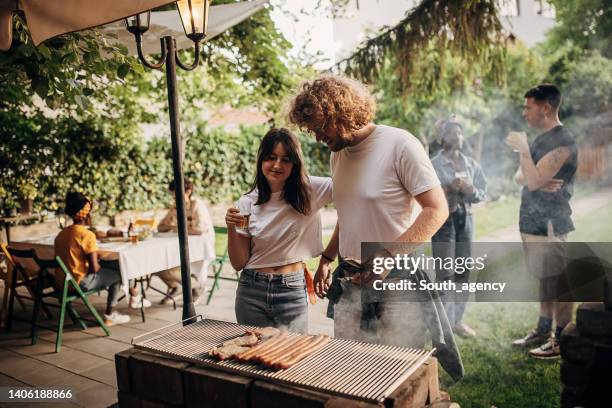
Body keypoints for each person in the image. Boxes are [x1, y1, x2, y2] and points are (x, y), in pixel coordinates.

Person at [288, 75, 451, 347]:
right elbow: (349, 213)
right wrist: (327, 259)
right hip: (351, 278)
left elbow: (436, 209)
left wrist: (388, 255)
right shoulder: (337, 154)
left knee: (398, 369)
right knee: (351, 366)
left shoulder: (400, 144)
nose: (317, 137)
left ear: (340, 113)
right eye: (311, 130)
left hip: (399, 281)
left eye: (320, 127)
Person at [225, 128, 332, 333]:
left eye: (285, 159)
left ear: (295, 162)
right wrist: (231, 228)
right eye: (271, 158)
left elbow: (353, 193)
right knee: (251, 356)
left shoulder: (312, 190)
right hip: (251, 291)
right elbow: (239, 263)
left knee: (292, 358)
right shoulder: (247, 202)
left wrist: (328, 258)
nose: (277, 165)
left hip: (291, 291)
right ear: (261, 160)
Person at [506, 84, 578, 359]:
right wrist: (533, 174)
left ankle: (561, 341)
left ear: (545, 108)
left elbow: (532, 180)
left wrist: (526, 156)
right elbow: (521, 177)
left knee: (559, 282)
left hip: (551, 221)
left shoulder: (563, 141)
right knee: (544, 281)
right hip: (531, 221)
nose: (524, 113)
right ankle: (542, 329)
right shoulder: (541, 140)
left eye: (529, 107)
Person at [431, 116, 487, 338]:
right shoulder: (433, 165)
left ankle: (457, 321)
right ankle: (443, 324)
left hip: (466, 222)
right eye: (453, 132)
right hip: (444, 224)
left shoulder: (470, 164)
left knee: (463, 272)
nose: (458, 136)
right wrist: (447, 189)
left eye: (460, 132)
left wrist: (471, 190)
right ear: (442, 137)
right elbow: (426, 196)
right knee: (445, 273)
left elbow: (481, 193)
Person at [54, 192, 143, 326]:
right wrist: (100, 262)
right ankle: (110, 314)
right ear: (86, 215)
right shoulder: (86, 234)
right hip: (80, 283)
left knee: (114, 267)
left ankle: (133, 295)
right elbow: (94, 268)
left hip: (62, 283)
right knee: (120, 272)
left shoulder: (61, 234)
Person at [156, 179, 215, 305]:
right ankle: (176, 286)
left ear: (188, 191)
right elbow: (160, 227)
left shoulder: (197, 205)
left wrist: (179, 228)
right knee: (156, 263)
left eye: (176, 192)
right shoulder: (175, 206)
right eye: (172, 193)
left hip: (200, 247)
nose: (173, 196)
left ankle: (196, 286)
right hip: (180, 245)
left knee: (165, 266)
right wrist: (174, 227)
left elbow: (200, 230)